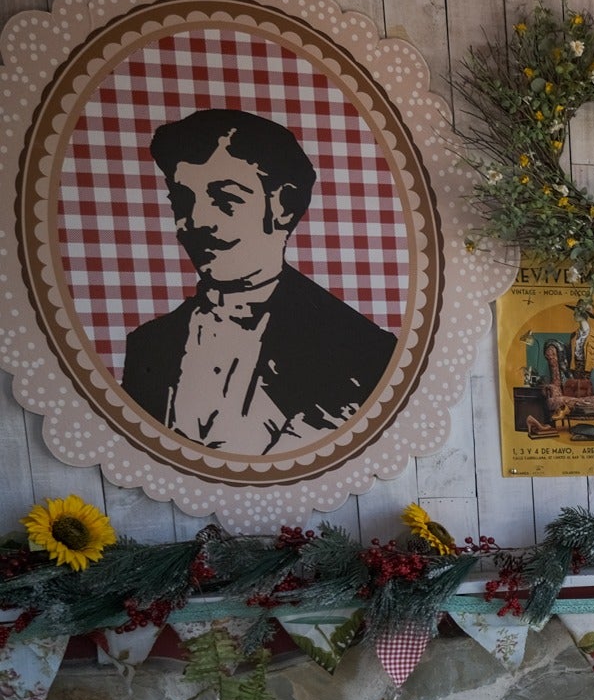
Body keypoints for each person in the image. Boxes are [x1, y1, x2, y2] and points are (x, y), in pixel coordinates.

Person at [121, 108, 398, 454]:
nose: (196, 221)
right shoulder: (148, 344)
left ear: (282, 204)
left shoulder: (362, 349)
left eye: (226, 199)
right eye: (181, 201)